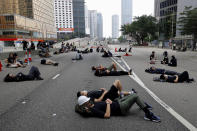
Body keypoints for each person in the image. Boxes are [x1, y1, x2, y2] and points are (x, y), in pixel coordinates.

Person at [75, 94, 161, 122]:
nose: (89, 101)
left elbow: (77, 107)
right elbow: (107, 115)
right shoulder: (93, 110)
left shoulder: (91, 104)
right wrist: (108, 103)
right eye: (87, 101)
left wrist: (108, 100)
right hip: (120, 108)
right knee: (135, 96)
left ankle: (143, 104)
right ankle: (148, 115)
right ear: (85, 105)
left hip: (117, 103)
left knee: (130, 94)